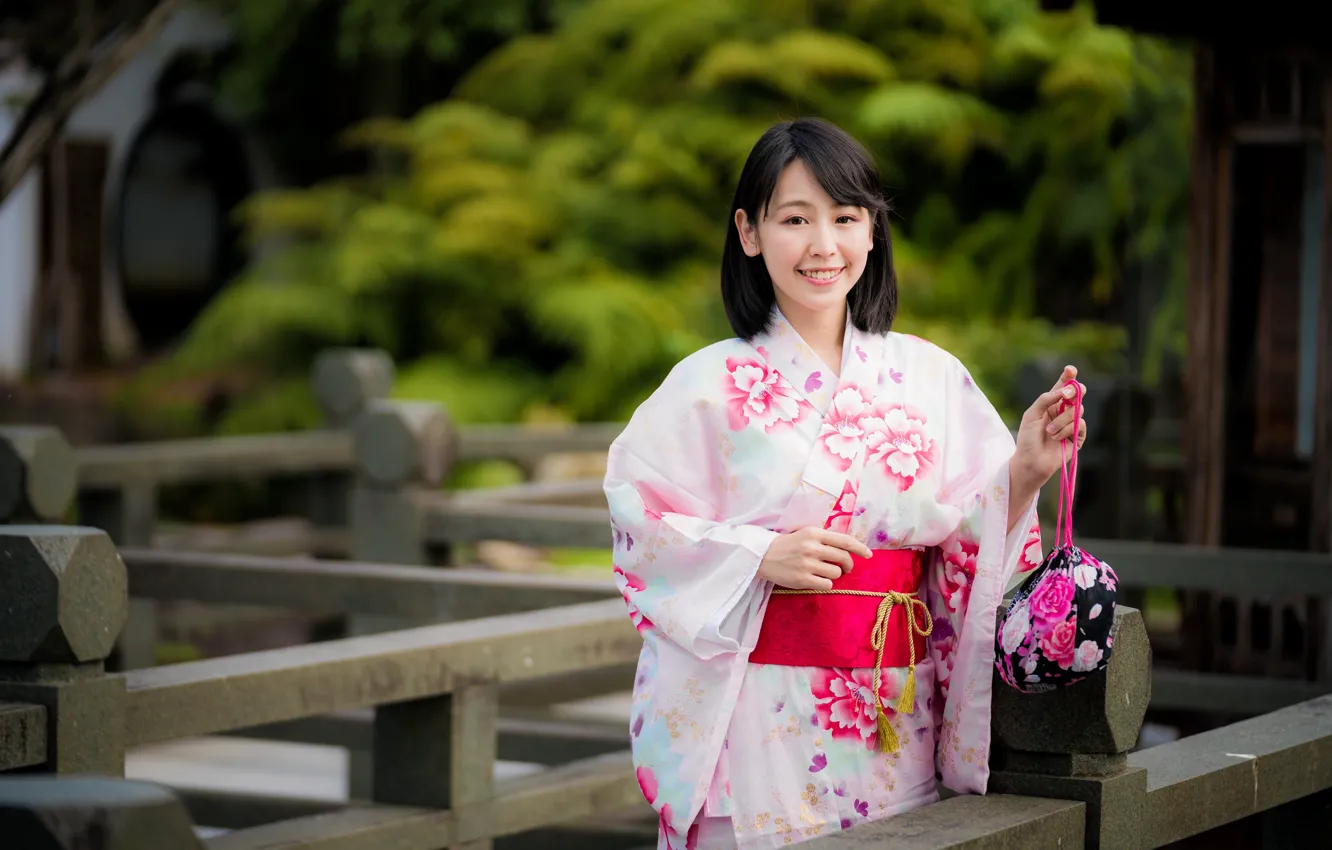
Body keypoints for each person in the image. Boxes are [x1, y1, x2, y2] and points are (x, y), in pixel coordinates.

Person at [603, 117, 1087, 850]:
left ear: (871, 233)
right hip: (760, 716)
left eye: (845, 217)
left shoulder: (930, 377)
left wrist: (1025, 470)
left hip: (895, 707)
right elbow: (640, 523)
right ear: (750, 231)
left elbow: (971, 535)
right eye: (795, 218)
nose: (822, 244)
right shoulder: (703, 386)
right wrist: (760, 555)